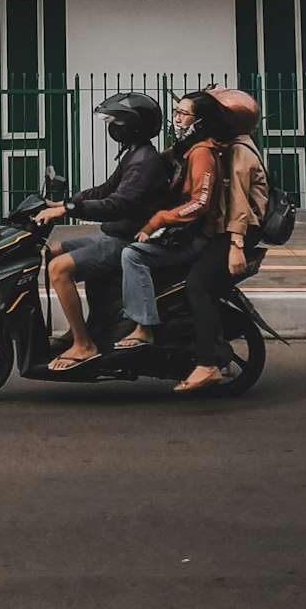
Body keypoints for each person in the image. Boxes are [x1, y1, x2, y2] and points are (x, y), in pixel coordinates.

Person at [33, 92, 167, 372]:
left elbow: (118, 204)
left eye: (117, 121)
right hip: (114, 234)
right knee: (54, 251)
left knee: (59, 269)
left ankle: (83, 345)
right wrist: (63, 203)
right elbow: (105, 190)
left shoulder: (144, 160)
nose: (112, 126)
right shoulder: (134, 152)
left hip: (126, 239)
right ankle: (89, 327)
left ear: (134, 125)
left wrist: (68, 210)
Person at [116, 91, 231, 353]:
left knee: (132, 256)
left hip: (196, 236)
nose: (177, 119)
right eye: (176, 113)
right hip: (183, 231)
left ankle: (144, 328)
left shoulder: (203, 153)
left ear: (199, 122)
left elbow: (200, 203)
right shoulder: (187, 150)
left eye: (183, 114)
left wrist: (156, 221)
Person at [174, 87, 269, 393]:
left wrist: (236, 246)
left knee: (197, 286)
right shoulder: (227, 144)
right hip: (224, 227)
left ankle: (206, 365)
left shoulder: (240, 151)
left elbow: (239, 202)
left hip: (240, 229)